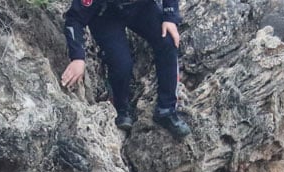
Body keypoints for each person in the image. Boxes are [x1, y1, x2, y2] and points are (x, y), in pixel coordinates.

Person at [61, 0, 192, 139]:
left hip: (140, 6)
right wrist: (77, 58)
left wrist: (170, 17)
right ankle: (121, 108)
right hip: (105, 14)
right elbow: (74, 18)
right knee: (122, 64)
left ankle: (167, 110)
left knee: (168, 41)